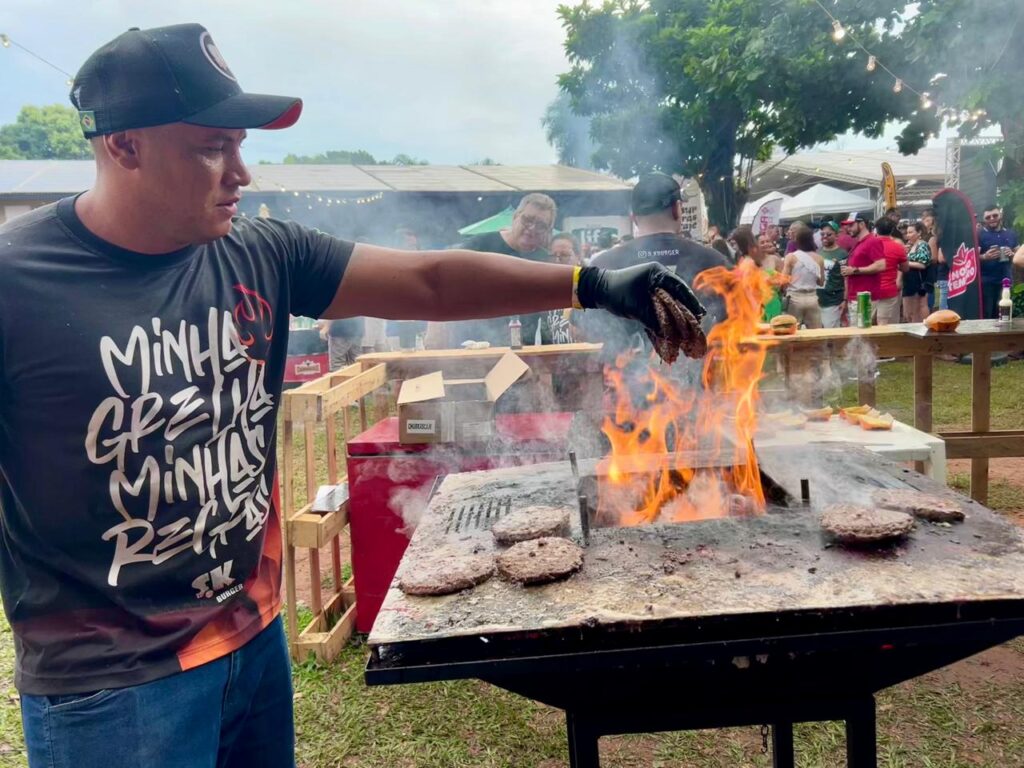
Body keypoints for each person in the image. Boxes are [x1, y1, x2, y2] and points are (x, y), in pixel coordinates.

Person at [0, 24, 703, 768]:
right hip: (113, 686)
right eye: (212, 147)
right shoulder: (20, 283)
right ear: (124, 145)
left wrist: (590, 283)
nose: (241, 172)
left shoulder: (259, 251)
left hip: (252, 637)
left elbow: (428, 279)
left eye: (241, 146)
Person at [584, 172, 728, 356]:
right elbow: (735, 323)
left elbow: (588, 328)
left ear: (634, 218)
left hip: (625, 380)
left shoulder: (603, 264)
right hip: (697, 378)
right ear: (677, 209)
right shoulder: (713, 261)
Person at [444, 193, 558, 346]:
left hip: (525, 347)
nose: (532, 228)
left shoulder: (545, 259)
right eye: (528, 220)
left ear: (548, 230)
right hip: (475, 344)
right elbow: (445, 281)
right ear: (515, 216)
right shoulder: (480, 245)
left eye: (541, 225)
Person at [840, 214, 886, 323]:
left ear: (861, 224)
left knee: (861, 333)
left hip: (864, 297)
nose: (848, 229)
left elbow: (881, 265)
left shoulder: (872, 241)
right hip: (857, 296)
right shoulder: (860, 242)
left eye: (851, 225)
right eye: (847, 226)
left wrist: (855, 270)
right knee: (858, 332)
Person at [977, 205, 1019, 319]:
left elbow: (1019, 255)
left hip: (1005, 281)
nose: (992, 219)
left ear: (1000, 215)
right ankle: (986, 337)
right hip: (986, 282)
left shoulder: (1011, 233)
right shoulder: (979, 234)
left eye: (995, 215)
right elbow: (972, 257)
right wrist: (985, 256)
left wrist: (1012, 254)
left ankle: (1001, 336)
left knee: (1004, 314)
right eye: (988, 217)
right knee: (987, 314)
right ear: (984, 219)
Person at [735, 226, 784, 321]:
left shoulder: (775, 259)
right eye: (762, 242)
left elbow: (784, 282)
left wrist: (775, 282)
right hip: (755, 301)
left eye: (767, 241)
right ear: (756, 245)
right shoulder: (748, 261)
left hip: (772, 300)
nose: (766, 244)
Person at [781, 223, 824, 329]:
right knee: (815, 333)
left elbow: (783, 281)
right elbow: (821, 282)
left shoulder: (791, 257)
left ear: (797, 240)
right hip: (812, 298)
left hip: (794, 298)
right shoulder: (819, 258)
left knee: (792, 331)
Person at [873, 217, 908, 325]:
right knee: (886, 325)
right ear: (892, 230)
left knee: (866, 325)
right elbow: (905, 268)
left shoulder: (869, 245)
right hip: (889, 290)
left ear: (876, 229)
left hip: (869, 289)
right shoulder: (898, 247)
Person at [817, 222, 848, 328]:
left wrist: (845, 300)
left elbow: (846, 278)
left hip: (834, 301)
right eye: (822, 234)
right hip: (818, 300)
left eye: (829, 234)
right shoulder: (818, 252)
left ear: (836, 236)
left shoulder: (842, 254)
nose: (825, 237)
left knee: (830, 335)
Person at [902, 221, 932, 323]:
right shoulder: (910, 246)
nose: (908, 235)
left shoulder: (922, 245)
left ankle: (922, 325)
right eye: (907, 233)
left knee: (920, 305)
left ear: (919, 232)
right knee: (911, 309)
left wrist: (906, 263)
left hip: (918, 280)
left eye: (911, 232)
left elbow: (922, 264)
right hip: (909, 280)